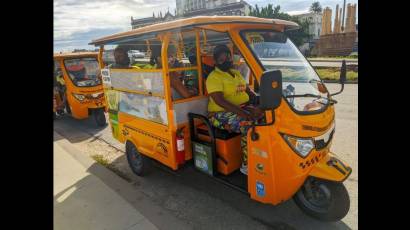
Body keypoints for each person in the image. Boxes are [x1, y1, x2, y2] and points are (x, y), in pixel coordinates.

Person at [205, 44, 263, 175]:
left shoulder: (236, 73)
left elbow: (248, 91)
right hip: (219, 114)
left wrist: (258, 102)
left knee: (269, 117)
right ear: (215, 61)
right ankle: (247, 165)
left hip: (241, 108)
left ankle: (262, 156)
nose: (226, 61)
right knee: (250, 126)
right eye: (221, 59)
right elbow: (221, 101)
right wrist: (246, 114)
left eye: (228, 57)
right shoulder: (213, 77)